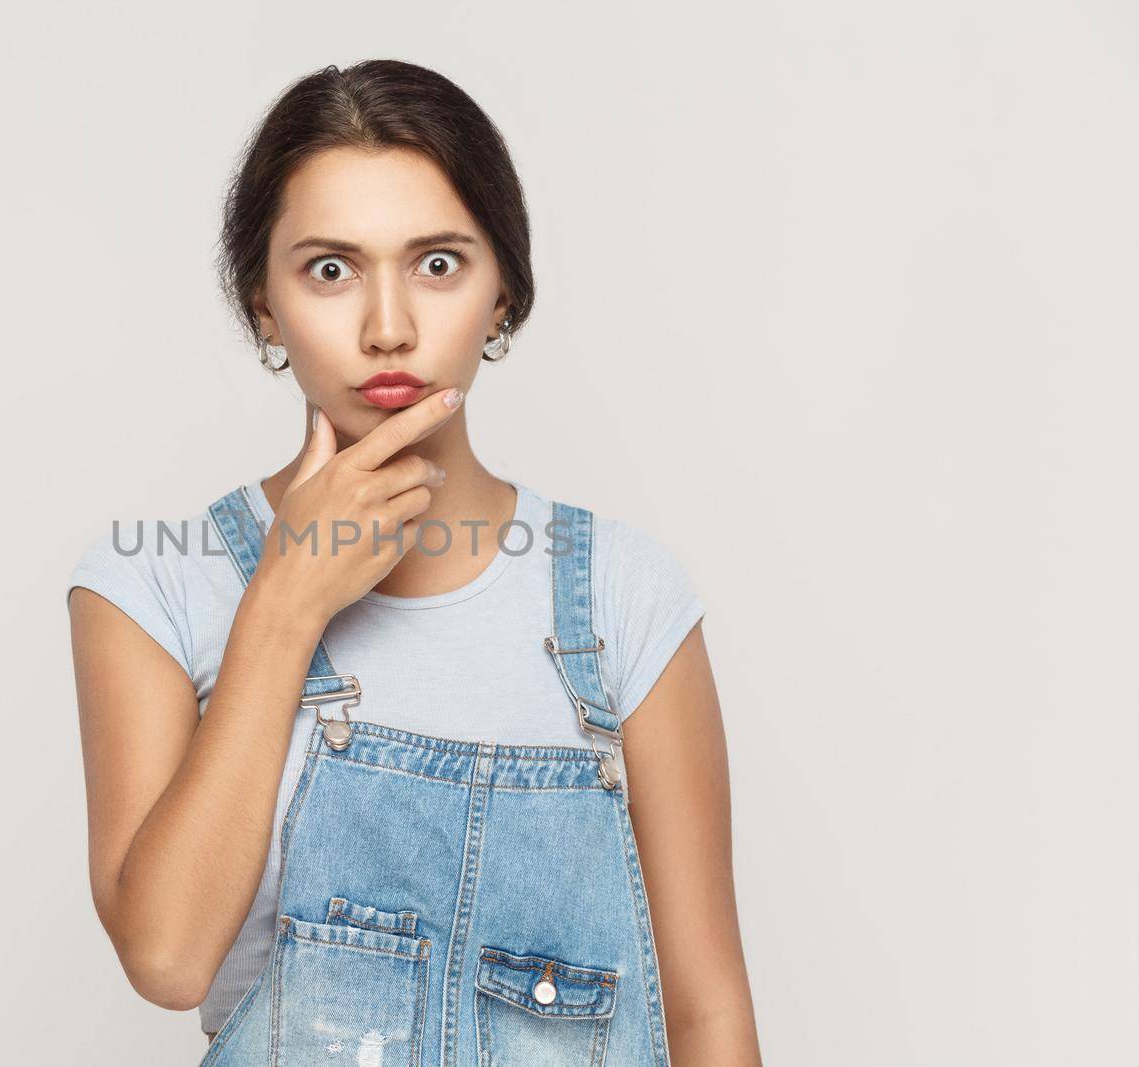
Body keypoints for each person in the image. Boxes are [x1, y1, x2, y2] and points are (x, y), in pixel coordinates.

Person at [66, 59, 762, 1066]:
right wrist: (283, 603)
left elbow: (706, 1015)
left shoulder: (618, 590)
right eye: (329, 269)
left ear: (503, 294)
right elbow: (167, 957)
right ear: (263, 305)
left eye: (437, 263)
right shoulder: (154, 586)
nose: (386, 325)